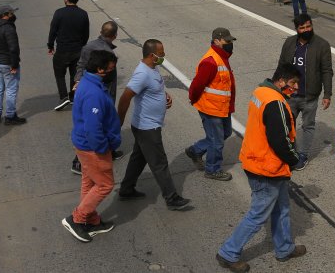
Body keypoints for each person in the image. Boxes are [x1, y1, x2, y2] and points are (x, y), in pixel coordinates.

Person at [216, 63, 306, 272]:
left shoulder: (261, 91)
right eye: (293, 83)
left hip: (260, 161)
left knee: (282, 208)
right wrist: (295, 160)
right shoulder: (276, 103)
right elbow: (280, 141)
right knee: (258, 215)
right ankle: (228, 252)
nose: (295, 88)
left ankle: (284, 248)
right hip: (266, 168)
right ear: (281, 81)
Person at [116, 39, 192, 211]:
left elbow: (153, 88)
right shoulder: (142, 73)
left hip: (148, 125)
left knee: (139, 157)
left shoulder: (153, 68)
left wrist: (164, 96)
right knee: (159, 162)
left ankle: (126, 189)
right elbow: (125, 96)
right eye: (161, 53)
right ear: (152, 55)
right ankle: (171, 197)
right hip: (147, 127)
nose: (163, 56)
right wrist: (119, 121)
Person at [61, 50, 120, 243]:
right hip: (93, 148)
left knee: (90, 183)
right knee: (105, 185)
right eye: (111, 69)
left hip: (85, 146)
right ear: (100, 69)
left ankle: (91, 219)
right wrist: (103, 148)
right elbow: (93, 128)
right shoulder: (94, 94)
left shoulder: (87, 83)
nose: (113, 71)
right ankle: (77, 218)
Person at [277, 13, 333, 170]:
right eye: (302, 27)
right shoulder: (289, 43)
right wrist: (276, 88)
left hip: (310, 96)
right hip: (289, 95)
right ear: (297, 29)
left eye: (309, 26)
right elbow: (281, 66)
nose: (306, 29)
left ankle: (303, 155)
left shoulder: (322, 45)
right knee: (288, 125)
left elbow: (327, 70)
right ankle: (290, 153)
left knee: (308, 126)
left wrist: (327, 94)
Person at [69, 21, 124, 175]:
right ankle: (79, 162)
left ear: (101, 31)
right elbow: (109, 78)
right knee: (97, 124)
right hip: (102, 93)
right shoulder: (108, 54)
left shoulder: (88, 46)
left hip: (89, 87)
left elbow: (80, 65)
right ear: (114, 35)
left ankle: (110, 152)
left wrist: (78, 81)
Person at [185, 28, 237, 181]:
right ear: (217, 41)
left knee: (224, 133)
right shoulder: (211, 61)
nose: (230, 44)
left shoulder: (222, 56)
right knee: (217, 140)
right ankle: (212, 169)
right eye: (227, 41)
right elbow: (196, 85)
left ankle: (196, 150)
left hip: (222, 107)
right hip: (211, 108)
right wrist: (194, 99)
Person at [48, 0, 90, 111]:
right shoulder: (83, 14)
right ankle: (72, 97)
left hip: (62, 50)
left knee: (60, 74)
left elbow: (53, 31)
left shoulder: (59, 13)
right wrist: (80, 45)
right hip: (77, 50)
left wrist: (50, 46)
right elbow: (86, 34)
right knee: (74, 74)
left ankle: (63, 97)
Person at [0, 5, 26, 125]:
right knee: (11, 89)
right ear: (5, 15)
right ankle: (10, 116)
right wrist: (14, 65)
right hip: (7, 64)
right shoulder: (8, 28)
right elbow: (13, 48)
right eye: (11, 13)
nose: (13, 15)